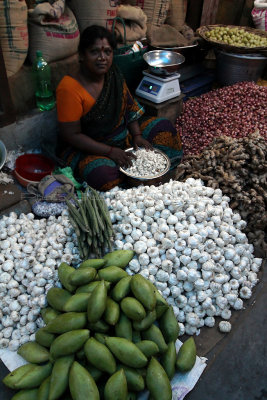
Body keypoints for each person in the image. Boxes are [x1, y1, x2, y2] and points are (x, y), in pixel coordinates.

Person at [56, 25, 183, 191]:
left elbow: (129, 108)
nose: (102, 58)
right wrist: (110, 152)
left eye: (107, 52)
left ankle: (145, 177)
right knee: (101, 175)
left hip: (124, 137)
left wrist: (137, 135)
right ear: (81, 55)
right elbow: (72, 135)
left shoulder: (113, 74)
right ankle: (133, 183)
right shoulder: (69, 88)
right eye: (95, 52)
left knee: (164, 128)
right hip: (92, 147)